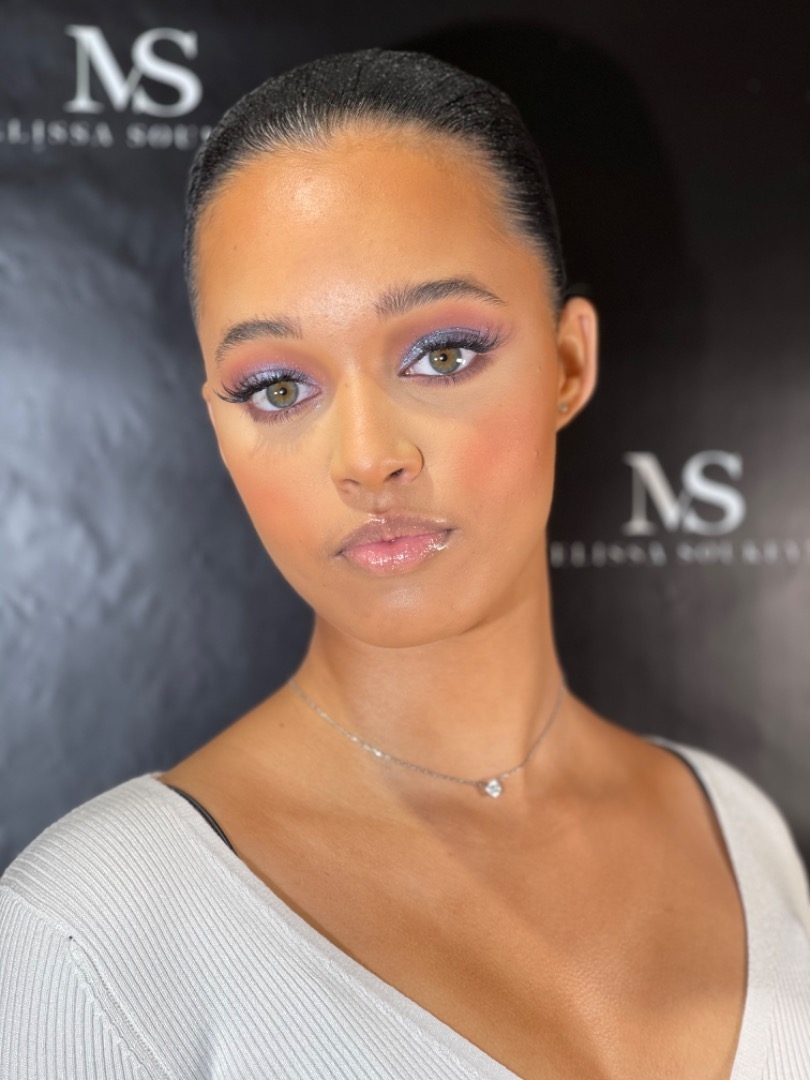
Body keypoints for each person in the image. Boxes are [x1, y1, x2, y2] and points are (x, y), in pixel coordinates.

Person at [1, 47, 808, 1080]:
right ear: (216, 424)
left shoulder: (737, 826)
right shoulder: (88, 937)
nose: (368, 456)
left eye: (442, 353)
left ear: (569, 361)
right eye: (278, 387)